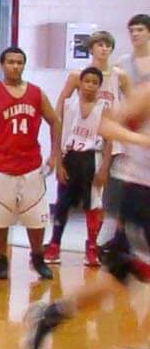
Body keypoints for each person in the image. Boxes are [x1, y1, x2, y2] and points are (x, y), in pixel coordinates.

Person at [27, 68, 150, 349]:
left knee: (114, 281)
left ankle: (52, 314)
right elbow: (105, 126)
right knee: (122, 277)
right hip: (141, 194)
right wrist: (142, 141)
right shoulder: (147, 93)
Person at [0, 46, 57, 282]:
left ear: (24, 65)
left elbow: (55, 121)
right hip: (0, 165)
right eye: (11, 62)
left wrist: (55, 154)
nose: (15, 66)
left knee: (37, 217)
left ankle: (37, 257)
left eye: (19, 62)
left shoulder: (37, 93)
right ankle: (1, 258)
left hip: (31, 165)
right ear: (2, 65)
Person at [49, 63, 113, 267]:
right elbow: (58, 135)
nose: (90, 85)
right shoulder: (69, 105)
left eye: (95, 82)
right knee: (62, 203)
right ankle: (54, 244)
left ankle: (92, 247)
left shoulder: (105, 109)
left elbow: (110, 140)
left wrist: (104, 169)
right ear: (80, 83)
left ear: (99, 87)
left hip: (92, 158)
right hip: (71, 157)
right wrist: (58, 162)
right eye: (86, 81)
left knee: (93, 205)